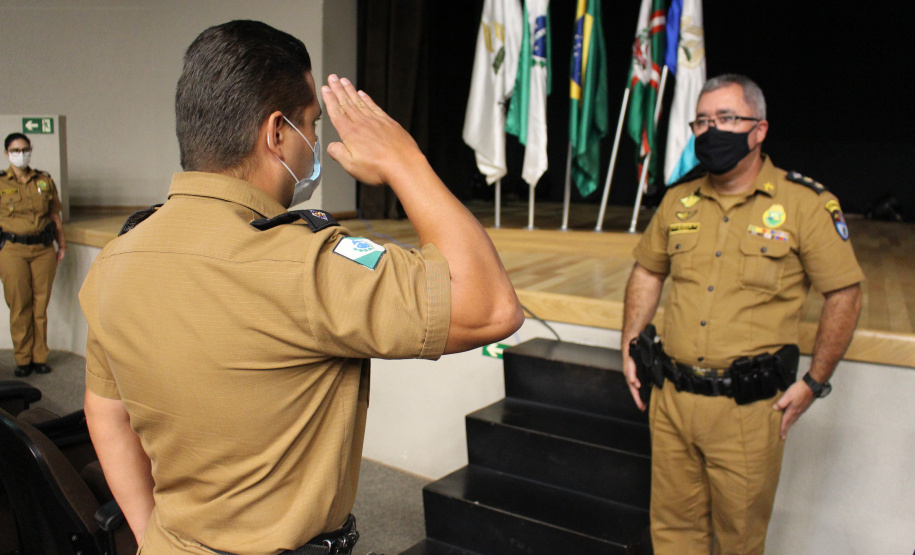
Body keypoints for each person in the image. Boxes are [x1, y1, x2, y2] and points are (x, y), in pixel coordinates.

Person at [80, 20, 523, 554]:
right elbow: (492, 307)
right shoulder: (306, 264)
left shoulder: (115, 261)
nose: (314, 141)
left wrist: (155, 535)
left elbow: (105, 411)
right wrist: (404, 160)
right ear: (276, 133)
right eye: (310, 125)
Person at [620, 74, 863, 554]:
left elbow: (845, 294)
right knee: (672, 534)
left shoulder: (805, 204)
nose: (713, 131)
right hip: (671, 401)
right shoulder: (678, 199)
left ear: (759, 130)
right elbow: (648, 272)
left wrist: (815, 381)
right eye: (703, 121)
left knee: (739, 542)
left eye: (727, 118)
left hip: (747, 411)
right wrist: (629, 343)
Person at [1, 132, 67, 377]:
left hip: (43, 250)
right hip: (12, 249)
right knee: (19, 305)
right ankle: (23, 358)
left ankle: (40, 357)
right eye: (15, 150)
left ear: (31, 150)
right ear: (7, 153)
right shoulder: (1, 182)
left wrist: (63, 245)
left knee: (41, 304)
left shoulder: (44, 180)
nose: (21, 154)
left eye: (24, 149)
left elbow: (55, 216)